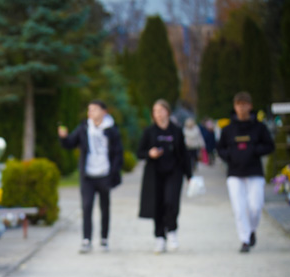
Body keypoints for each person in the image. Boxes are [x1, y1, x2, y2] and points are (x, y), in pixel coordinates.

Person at [59, 100, 123, 253]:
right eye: (89, 110)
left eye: (94, 109)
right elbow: (70, 144)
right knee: (86, 207)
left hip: (104, 174)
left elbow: (118, 153)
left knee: (104, 207)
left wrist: (113, 172)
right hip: (88, 175)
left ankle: (104, 239)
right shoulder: (84, 127)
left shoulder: (112, 129)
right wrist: (63, 137)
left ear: (103, 112)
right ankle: (86, 240)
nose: (91, 113)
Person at [217, 91, 275, 253]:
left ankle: (251, 229)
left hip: (254, 171)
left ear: (250, 106)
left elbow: (269, 146)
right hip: (235, 173)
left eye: (244, 104)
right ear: (235, 107)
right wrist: (231, 156)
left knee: (255, 206)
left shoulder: (259, 128)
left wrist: (254, 150)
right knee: (239, 207)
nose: (241, 108)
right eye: (238, 105)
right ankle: (244, 239)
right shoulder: (228, 129)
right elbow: (220, 148)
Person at [137, 99, 192, 253]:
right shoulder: (149, 132)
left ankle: (172, 231)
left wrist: (190, 175)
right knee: (157, 205)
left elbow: (184, 154)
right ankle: (159, 237)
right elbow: (139, 153)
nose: (158, 114)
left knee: (171, 202)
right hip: (155, 174)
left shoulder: (176, 131)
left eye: (161, 110)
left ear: (167, 112)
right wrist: (150, 153)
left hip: (174, 172)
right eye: (155, 111)